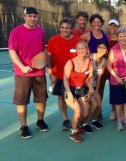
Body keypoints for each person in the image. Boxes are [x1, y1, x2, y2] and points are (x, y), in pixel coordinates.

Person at [8, 7, 49, 139]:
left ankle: (40, 121)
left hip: (39, 73)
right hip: (22, 74)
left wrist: (43, 63)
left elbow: (42, 51)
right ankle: (24, 126)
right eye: (30, 16)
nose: (32, 18)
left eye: (34, 16)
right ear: (24, 17)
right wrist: (22, 66)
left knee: (41, 99)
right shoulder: (16, 32)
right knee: (22, 101)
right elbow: (12, 51)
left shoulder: (40, 31)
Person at [46, 17, 80, 131]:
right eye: (62, 28)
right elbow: (47, 58)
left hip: (74, 76)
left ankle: (79, 119)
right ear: (59, 28)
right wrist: (50, 73)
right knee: (61, 97)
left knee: (77, 97)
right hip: (59, 75)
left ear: (72, 29)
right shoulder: (53, 40)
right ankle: (65, 120)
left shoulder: (77, 41)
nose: (65, 30)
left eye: (67, 28)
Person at [63, 41, 97, 142]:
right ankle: (73, 132)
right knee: (78, 111)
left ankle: (79, 125)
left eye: (83, 48)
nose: (81, 51)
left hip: (82, 89)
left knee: (86, 112)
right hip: (70, 89)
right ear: (76, 50)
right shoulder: (70, 62)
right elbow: (65, 79)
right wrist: (69, 93)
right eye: (78, 49)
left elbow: (89, 77)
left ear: (87, 50)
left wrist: (90, 89)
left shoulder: (89, 62)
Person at [107, 27, 126, 131]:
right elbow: (109, 66)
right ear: (117, 38)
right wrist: (117, 78)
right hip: (116, 81)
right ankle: (119, 121)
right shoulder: (113, 49)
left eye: (125, 36)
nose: (123, 38)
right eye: (120, 36)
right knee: (118, 102)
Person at [90, 41, 108, 129]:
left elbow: (99, 78)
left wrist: (96, 91)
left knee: (99, 104)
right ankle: (82, 122)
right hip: (85, 85)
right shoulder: (90, 57)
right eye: (100, 47)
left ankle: (94, 120)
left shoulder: (105, 61)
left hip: (94, 85)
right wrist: (90, 89)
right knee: (93, 105)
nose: (101, 49)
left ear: (107, 50)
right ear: (96, 49)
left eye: (104, 47)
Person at [107, 19, 120, 120]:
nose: (112, 28)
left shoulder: (121, 39)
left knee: (121, 90)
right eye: (111, 26)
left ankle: (122, 112)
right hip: (109, 68)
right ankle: (113, 110)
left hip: (121, 69)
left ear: (118, 27)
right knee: (113, 90)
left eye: (114, 26)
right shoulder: (106, 39)